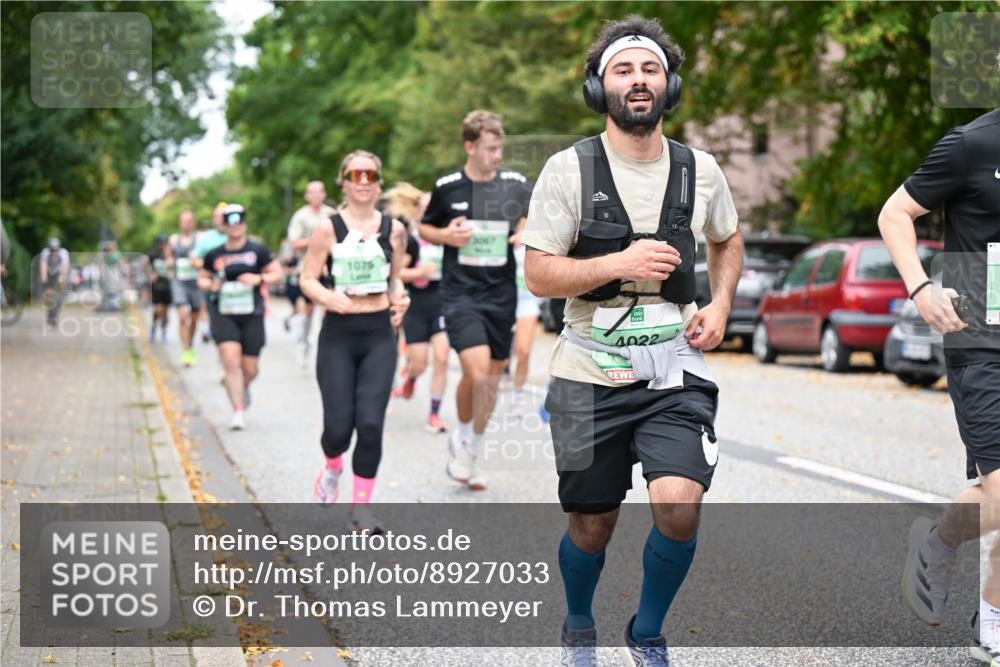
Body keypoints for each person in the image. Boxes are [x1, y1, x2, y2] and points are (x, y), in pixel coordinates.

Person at [522, 16, 743, 666]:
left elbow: (726, 238)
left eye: (649, 69)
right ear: (600, 87)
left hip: (675, 369)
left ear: (668, 84)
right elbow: (537, 271)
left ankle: (647, 631)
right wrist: (615, 264)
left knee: (679, 504)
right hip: (588, 371)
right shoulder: (568, 170)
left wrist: (722, 301)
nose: (638, 80)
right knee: (592, 522)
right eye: (624, 69)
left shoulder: (700, 169)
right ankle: (579, 621)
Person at [880, 101, 999, 664]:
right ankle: (985, 613)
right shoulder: (971, 144)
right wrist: (921, 287)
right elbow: (895, 214)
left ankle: (945, 549)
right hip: (983, 342)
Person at [419, 110, 533, 491]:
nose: (498, 155)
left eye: (501, 148)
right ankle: (465, 438)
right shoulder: (448, 186)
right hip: (460, 293)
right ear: (470, 146)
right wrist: (445, 236)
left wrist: (524, 231)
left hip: (501, 295)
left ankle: (471, 446)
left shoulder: (515, 184)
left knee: (492, 378)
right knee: (478, 369)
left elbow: (537, 218)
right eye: (490, 149)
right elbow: (425, 226)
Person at [300, 150, 410, 533]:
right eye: (354, 174)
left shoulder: (394, 229)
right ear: (343, 181)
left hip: (379, 332)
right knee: (337, 429)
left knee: (370, 422)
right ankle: (332, 466)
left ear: (379, 182)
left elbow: (395, 277)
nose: (363, 181)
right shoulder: (327, 228)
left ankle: (360, 509)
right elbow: (307, 278)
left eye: (370, 175)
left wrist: (401, 297)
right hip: (338, 335)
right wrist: (326, 296)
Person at [197, 204, 282, 431]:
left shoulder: (258, 250)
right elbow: (202, 279)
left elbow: (277, 273)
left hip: (251, 313)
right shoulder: (214, 255)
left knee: (250, 368)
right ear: (223, 225)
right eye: (230, 222)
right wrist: (212, 284)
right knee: (230, 359)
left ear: (245, 223)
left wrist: (259, 279)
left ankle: (243, 386)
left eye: (239, 221)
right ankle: (237, 411)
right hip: (223, 313)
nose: (235, 226)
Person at [387, 183, 450, 434]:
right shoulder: (409, 240)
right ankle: (411, 377)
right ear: (416, 211)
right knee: (419, 363)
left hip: (442, 303)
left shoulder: (447, 236)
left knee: (443, 359)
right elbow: (397, 273)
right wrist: (420, 273)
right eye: (425, 207)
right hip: (416, 305)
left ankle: (434, 414)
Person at [287, 181, 337, 366]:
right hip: (308, 267)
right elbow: (294, 242)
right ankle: (304, 342)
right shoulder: (301, 216)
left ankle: (328, 344)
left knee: (330, 304)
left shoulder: (331, 214)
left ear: (324, 194)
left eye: (319, 192)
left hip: (330, 267)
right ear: (307, 195)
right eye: (312, 192)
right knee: (308, 309)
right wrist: (317, 240)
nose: (316, 196)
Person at [168, 210, 203, 366]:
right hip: (179, 282)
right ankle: (186, 350)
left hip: (195, 283)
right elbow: (169, 256)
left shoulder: (200, 239)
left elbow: (205, 259)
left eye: (189, 220)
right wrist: (169, 261)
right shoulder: (174, 239)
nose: (186, 223)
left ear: (193, 222)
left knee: (194, 319)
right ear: (179, 222)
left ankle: (190, 344)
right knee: (183, 316)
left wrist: (197, 262)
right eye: (183, 220)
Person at [192, 203, 230, 342]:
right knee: (206, 306)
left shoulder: (235, 234)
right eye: (216, 216)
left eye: (222, 216)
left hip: (232, 285)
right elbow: (195, 259)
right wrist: (212, 267)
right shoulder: (206, 238)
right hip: (210, 282)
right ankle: (206, 329)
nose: (219, 219)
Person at [510, 242, 541, 415]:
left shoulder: (537, 232)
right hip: (504, 298)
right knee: (502, 359)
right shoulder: (505, 227)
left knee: (523, 351)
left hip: (527, 301)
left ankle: (517, 395)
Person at [39, 237, 70, 327]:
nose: (54, 252)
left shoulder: (63, 253)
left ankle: (55, 315)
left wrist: (62, 278)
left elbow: (65, 266)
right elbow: (43, 265)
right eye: (52, 250)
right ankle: (49, 313)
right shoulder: (45, 252)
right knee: (49, 296)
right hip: (49, 274)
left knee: (59, 296)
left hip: (59, 273)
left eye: (55, 250)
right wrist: (44, 277)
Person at [147, 235, 173, 342]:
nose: (162, 245)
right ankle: (153, 328)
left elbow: (175, 268)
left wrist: (171, 273)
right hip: (157, 286)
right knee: (158, 309)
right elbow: (148, 268)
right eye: (160, 243)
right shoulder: (153, 255)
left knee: (166, 311)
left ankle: (164, 332)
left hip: (168, 287)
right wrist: (151, 275)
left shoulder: (171, 255)